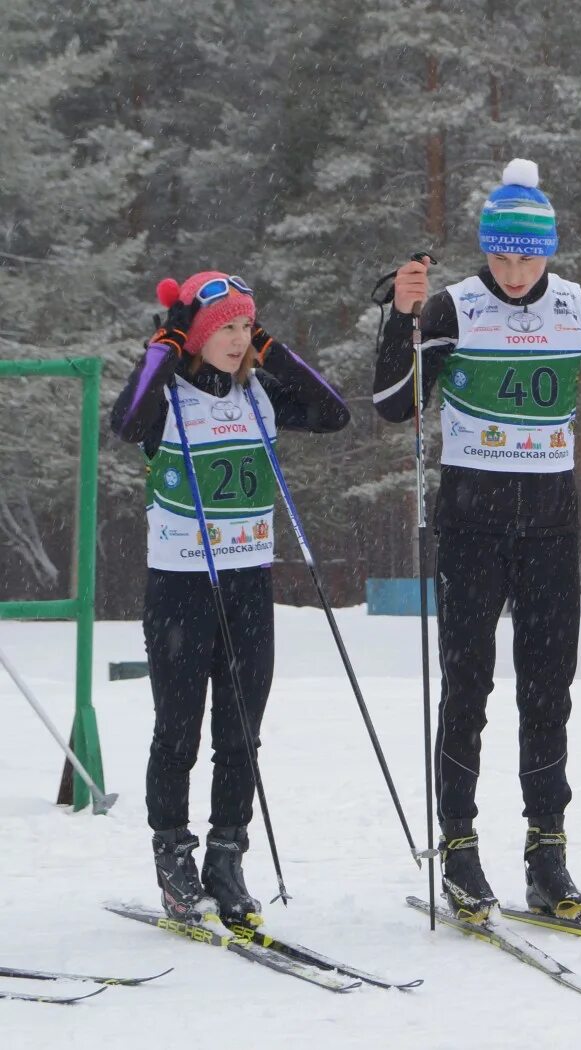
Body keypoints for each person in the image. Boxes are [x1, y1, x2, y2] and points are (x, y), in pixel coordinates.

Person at [370, 159, 581, 921]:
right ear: (486, 248)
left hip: (551, 526)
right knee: (468, 688)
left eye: (529, 253)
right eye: (502, 253)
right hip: (471, 526)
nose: (515, 269)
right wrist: (400, 319)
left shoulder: (576, 307)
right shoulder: (451, 308)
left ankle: (546, 853)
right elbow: (392, 404)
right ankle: (459, 846)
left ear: (548, 249)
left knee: (548, 692)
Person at [112, 271, 350, 924]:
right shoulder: (167, 395)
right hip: (179, 589)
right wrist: (161, 349)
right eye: (226, 327)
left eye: (247, 326)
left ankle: (226, 853)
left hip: (249, 583)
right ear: (195, 333)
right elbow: (125, 422)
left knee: (240, 733)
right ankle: (174, 853)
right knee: (179, 730)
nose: (238, 337)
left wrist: (272, 350)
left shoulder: (259, 390)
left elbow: (334, 412)